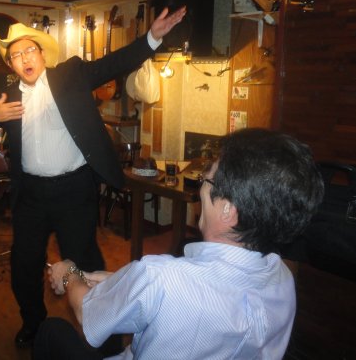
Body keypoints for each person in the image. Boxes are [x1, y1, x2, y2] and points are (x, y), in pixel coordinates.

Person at [0, 7, 186, 348]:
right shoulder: (8, 95)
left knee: (84, 261)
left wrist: (152, 38)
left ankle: (102, 330)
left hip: (74, 190)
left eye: (29, 50)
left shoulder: (70, 75)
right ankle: (33, 324)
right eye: (16, 56)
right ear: (10, 65)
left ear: (41, 54)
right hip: (31, 195)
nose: (24, 58)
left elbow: (113, 64)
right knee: (24, 263)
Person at [37, 128, 324, 360]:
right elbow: (182, 295)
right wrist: (116, 281)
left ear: (228, 210)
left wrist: (69, 272)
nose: (201, 187)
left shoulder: (160, 278)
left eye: (207, 180)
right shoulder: (281, 277)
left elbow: (88, 314)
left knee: (51, 332)